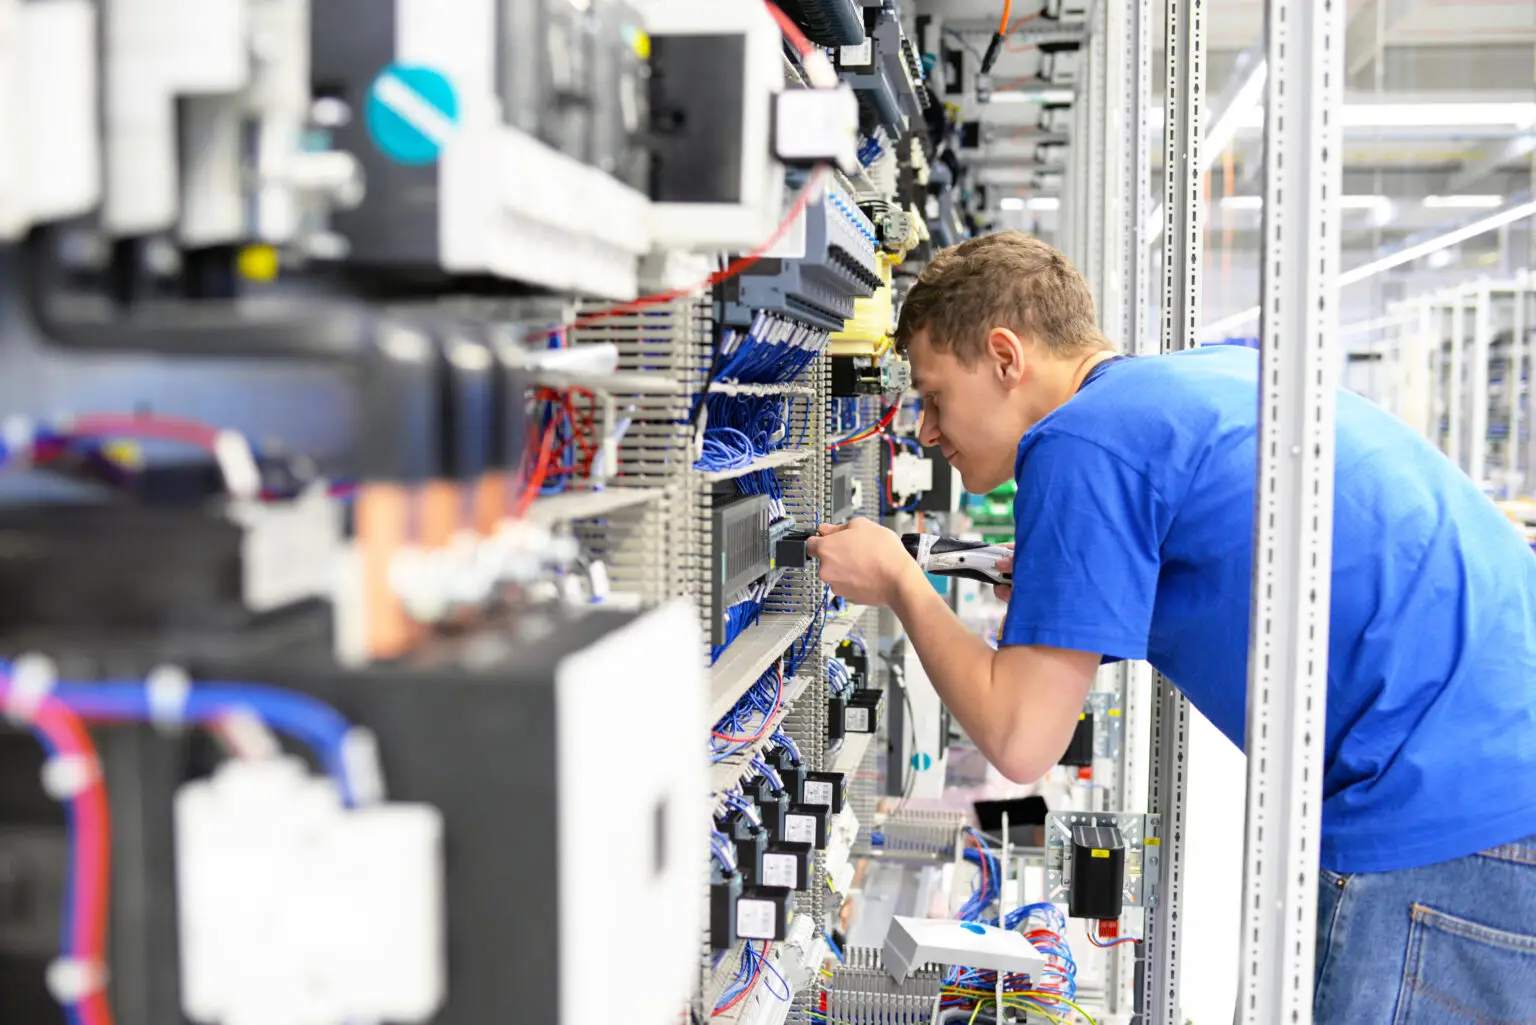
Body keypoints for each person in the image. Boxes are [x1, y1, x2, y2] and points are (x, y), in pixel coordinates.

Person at [806, 231, 1536, 1023]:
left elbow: (1020, 741)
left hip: (1453, 809)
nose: (923, 430)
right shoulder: (1172, 390)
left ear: (1005, 356)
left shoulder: (1080, 441)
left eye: (933, 394)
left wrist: (901, 583)